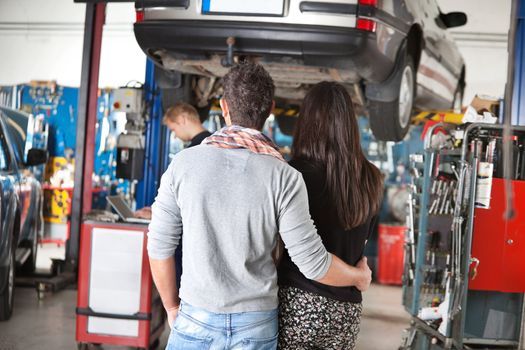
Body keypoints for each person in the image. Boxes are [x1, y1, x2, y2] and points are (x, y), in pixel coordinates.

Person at [147, 63, 372, 350]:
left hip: (196, 316)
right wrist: (359, 276)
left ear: (224, 107)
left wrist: (171, 307)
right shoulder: (284, 176)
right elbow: (313, 263)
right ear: (271, 110)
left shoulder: (183, 165)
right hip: (255, 324)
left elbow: (158, 245)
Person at [277, 81, 384, 350]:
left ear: (307, 121)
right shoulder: (372, 178)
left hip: (296, 303)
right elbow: (363, 242)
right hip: (346, 311)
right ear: (349, 123)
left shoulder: (293, 175)